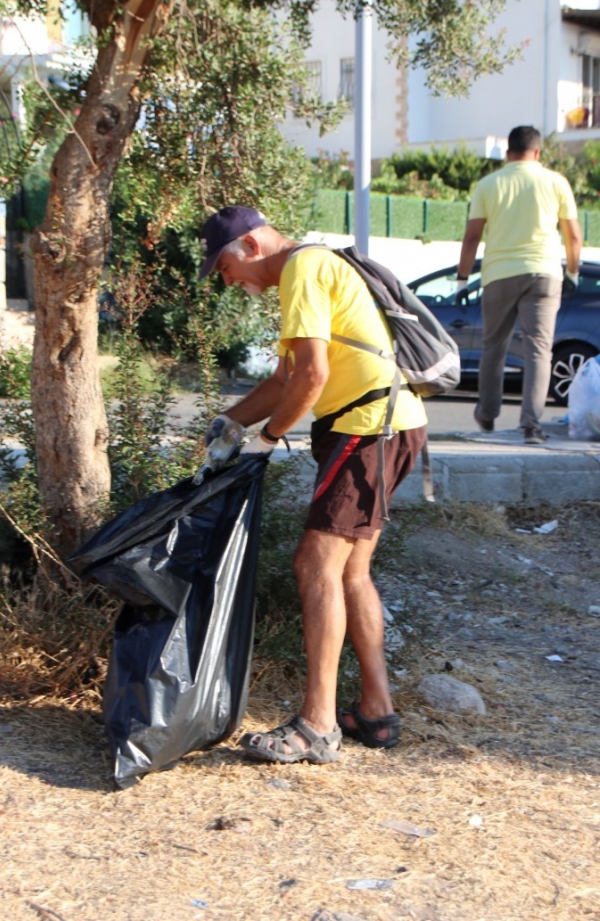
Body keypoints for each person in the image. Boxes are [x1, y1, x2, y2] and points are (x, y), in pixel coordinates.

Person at [197, 205, 428, 765]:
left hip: (365, 427)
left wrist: (266, 440)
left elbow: (312, 378)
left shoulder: (301, 269)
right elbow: (284, 380)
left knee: (314, 564)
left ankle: (318, 725)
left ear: (251, 246)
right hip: (388, 423)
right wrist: (229, 424)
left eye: (225, 268)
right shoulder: (310, 268)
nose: (229, 283)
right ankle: (375, 710)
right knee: (350, 571)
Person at [457, 125, 583, 444]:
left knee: (493, 345)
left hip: (499, 273)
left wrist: (462, 278)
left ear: (507, 152)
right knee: (539, 350)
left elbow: (472, 236)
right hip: (543, 272)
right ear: (538, 152)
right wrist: (573, 271)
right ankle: (531, 425)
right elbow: (574, 236)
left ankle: (487, 413)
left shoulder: (488, 184)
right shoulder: (556, 182)